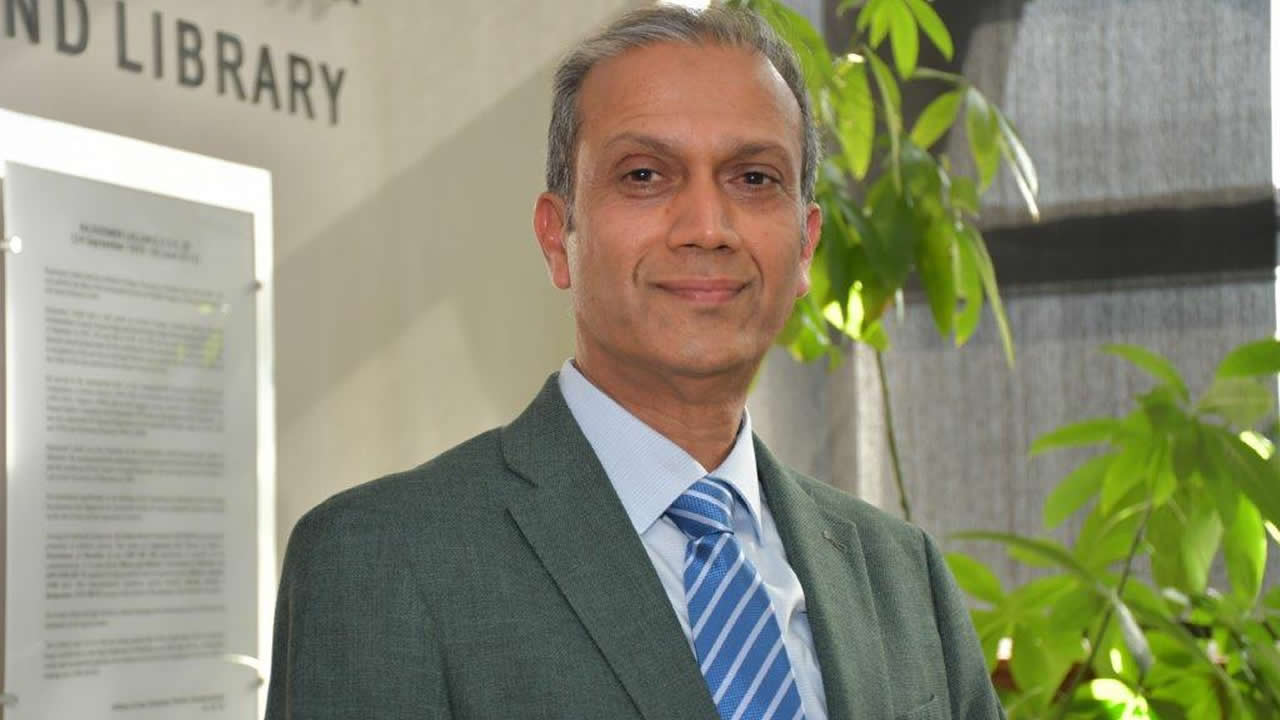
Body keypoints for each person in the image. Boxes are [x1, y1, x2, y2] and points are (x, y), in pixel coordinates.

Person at [264, 6, 1004, 720]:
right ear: (558, 238)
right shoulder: (381, 560)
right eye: (645, 175)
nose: (707, 228)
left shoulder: (904, 576)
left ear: (806, 245)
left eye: (753, 178)